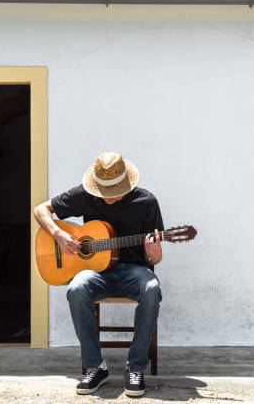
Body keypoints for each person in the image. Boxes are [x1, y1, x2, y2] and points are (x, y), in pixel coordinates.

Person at [33, 152, 163, 397]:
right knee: (76, 288)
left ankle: (135, 368)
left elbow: (154, 259)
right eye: (104, 191)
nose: (108, 197)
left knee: (151, 289)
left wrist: (154, 253)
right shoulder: (86, 195)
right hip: (94, 272)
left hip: (132, 271)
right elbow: (41, 209)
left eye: (114, 191)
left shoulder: (146, 202)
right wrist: (57, 234)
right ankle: (95, 366)